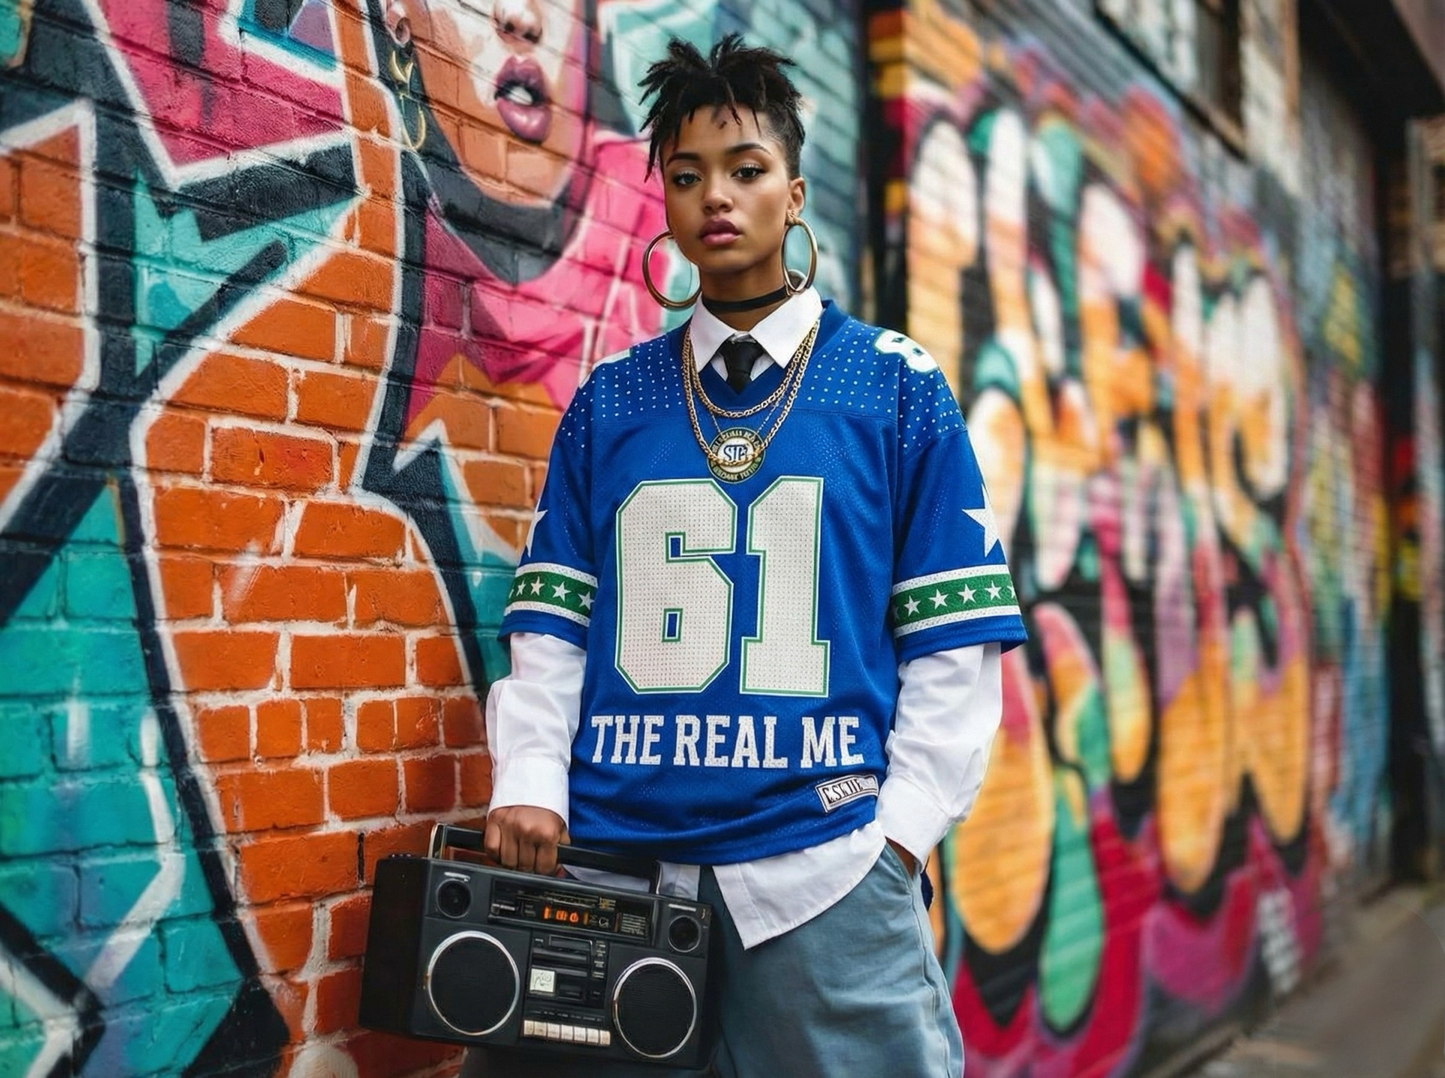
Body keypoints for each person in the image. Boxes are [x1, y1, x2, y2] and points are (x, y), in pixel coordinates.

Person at [472, 34, 1028, 1078]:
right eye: (685, 177)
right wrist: (532, 776)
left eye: (744, 170)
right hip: (610, 872)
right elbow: (552, 626)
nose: (714, 199)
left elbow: (952, 650)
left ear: (795, 192)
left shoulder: (894, 386)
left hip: (822, 878)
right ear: (663, 204)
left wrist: (892, 841)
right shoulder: (610, 402)